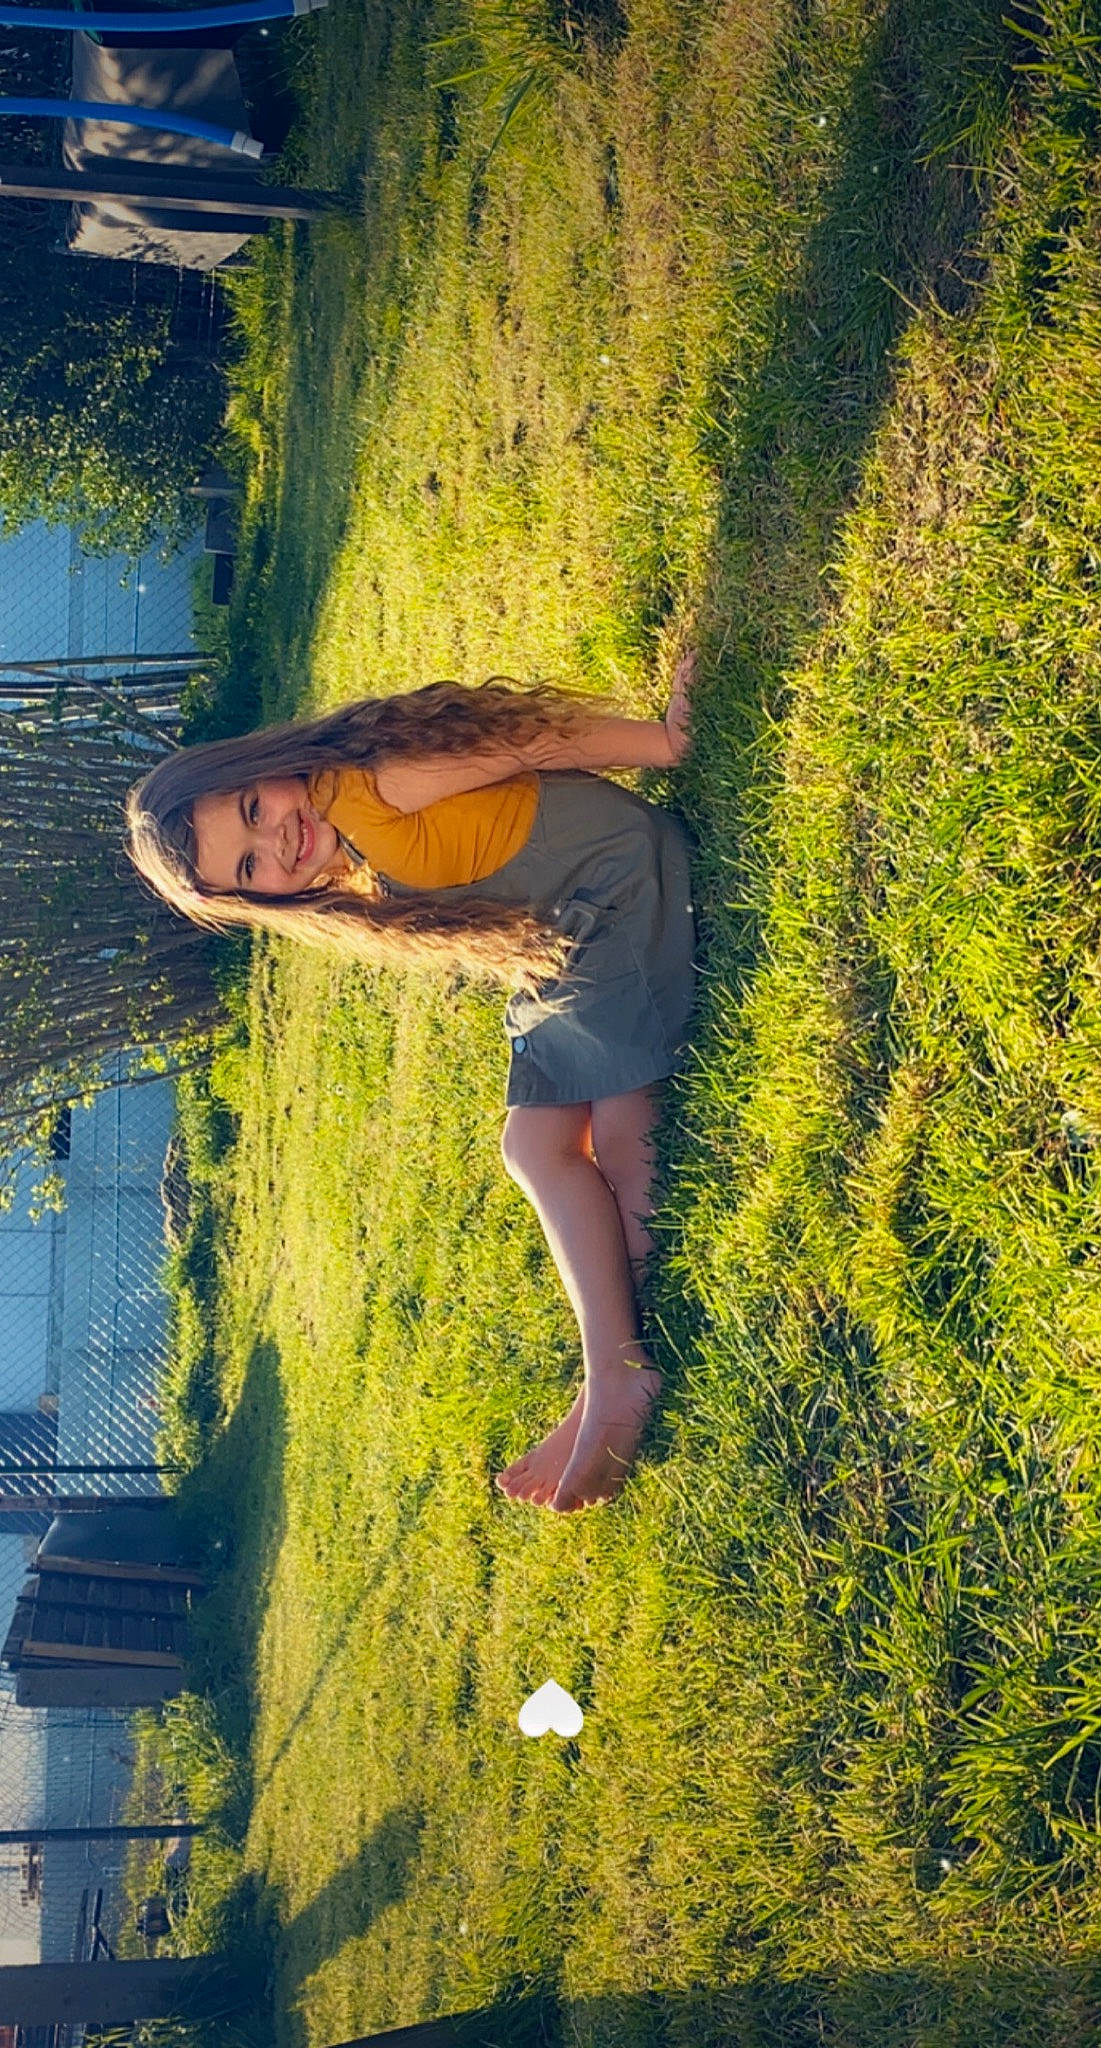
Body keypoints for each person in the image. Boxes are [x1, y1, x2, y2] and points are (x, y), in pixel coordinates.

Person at [126, 655, 698, 1513]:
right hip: (567, 940)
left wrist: (662, 743)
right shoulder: (350, 844)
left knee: (617, 1137)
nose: (275, 841)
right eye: (248, 868)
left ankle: (613, 1377)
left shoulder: (374, 779)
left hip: (618, 885)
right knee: (532, 1144)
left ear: (261, 769)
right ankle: (604, 1374)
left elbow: (529, 740)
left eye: (253, 810)